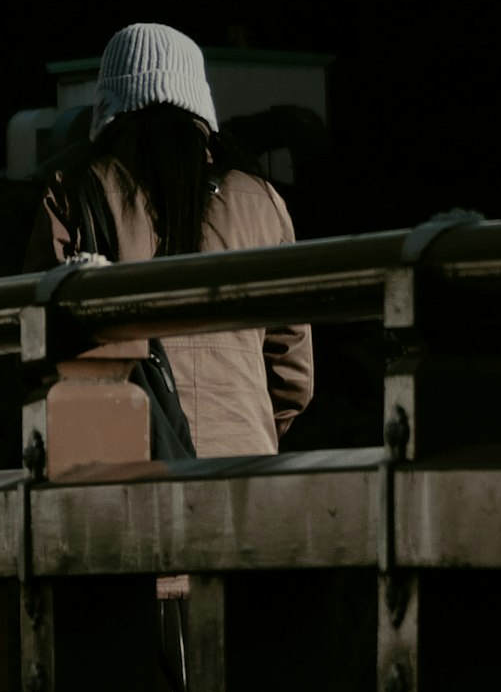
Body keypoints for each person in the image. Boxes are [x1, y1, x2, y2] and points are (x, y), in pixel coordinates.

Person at [23, 23, 314, 458]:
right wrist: (242, 423)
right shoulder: (261, 200)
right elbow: (293, 373)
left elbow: (39, 342)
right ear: (199, 99)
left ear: (109, 100)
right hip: (245, 461)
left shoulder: (74, 190)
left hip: (125, 458)